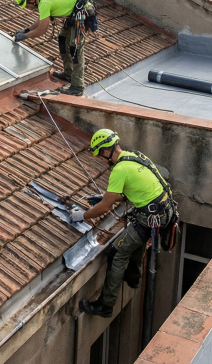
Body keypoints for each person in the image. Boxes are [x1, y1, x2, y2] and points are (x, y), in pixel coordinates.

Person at [74, 129, 178, 317]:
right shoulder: (135, 156)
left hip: (150, 218)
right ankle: (133, 278)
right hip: (165, 210)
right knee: (135, 239)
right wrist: (105, 197)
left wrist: (82, 216)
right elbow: (131, 190)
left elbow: (104, 209)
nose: (101, 158)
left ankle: (104, 306)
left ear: (106, 151)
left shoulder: (119, 170)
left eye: (100, 154)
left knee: (116, 252)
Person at [12, 0, 97, 96]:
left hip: (82, 14)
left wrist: (25, 36)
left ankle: (77, 86)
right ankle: (68, 74)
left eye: (27, 5)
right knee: (62, 39)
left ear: (32, 0)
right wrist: (26, 30)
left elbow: (42, 30)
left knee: (74, 49)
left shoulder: (44, 2)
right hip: (74, 14)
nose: (28, 8)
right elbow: (41, 20)